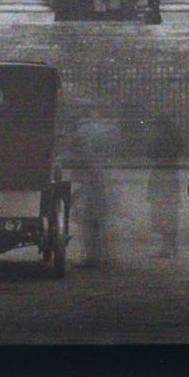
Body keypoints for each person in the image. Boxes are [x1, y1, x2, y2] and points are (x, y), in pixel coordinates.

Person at [73, 110, 121, 268]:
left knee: (89, 221)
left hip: (92, 182)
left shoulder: (83, 133)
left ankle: (93, 257)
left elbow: (83, 156)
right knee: (101, 221)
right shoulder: (106, 131)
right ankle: (104, 256)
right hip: (101, 179)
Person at [148, 113, 184, 258]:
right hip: (172, 174)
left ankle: (166, 246)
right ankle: (171, 245)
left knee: (162, 210)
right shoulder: (175, 138)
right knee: (171, 210)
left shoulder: (158, 139)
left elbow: (150, 153)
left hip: (160, 175)